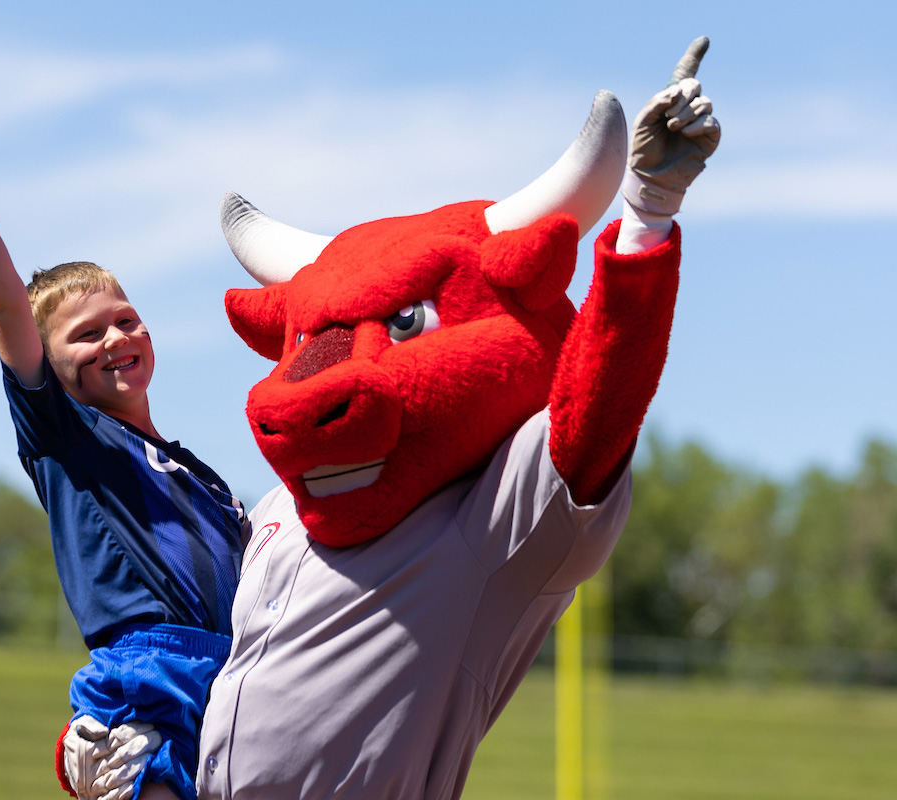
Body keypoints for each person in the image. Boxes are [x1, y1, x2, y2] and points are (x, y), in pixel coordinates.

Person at [60, 38, 720, 800]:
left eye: (405, 321)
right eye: (311, 341)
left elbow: (591, 417)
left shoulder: (491, 527)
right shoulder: (279, 514)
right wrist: (116, 741)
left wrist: (647, 216)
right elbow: (206, 659)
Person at [0, 100, 246, 800]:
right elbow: (8, 305)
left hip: (241, 676)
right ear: (48, 360)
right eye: (87, 334)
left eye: (125, 320)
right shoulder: (67, 437)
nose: (114, 339)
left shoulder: (205, 478)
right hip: (149, 676)